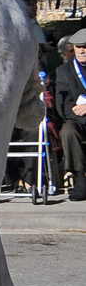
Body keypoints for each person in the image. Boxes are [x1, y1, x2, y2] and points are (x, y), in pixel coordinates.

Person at [54, 28, 86, 201]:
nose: (82, 50)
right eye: (78, 46)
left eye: (85, 46)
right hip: (76, 119)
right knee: (68, 131)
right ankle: (80, 177)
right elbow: (63, 105)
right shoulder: (64, 72)